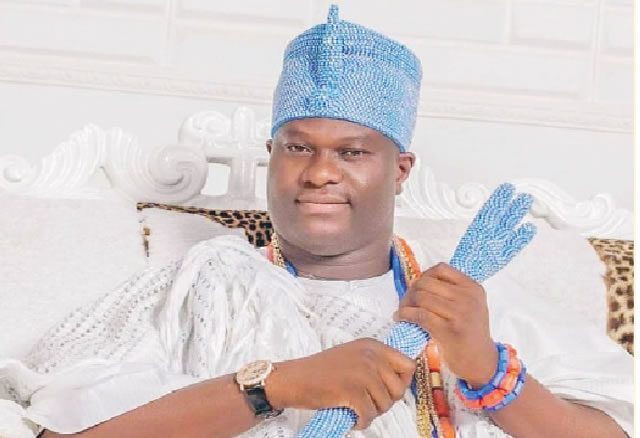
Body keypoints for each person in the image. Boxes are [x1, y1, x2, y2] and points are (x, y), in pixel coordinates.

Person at [1, 5, 632, 438]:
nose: (320, 172)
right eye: (298, 147)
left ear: (400, 170)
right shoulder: (206, 287)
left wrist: (489, 370)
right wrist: (273, 388)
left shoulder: (464, 301)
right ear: (272, 157)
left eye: (352, 153)